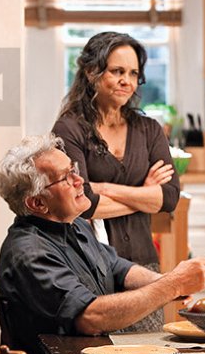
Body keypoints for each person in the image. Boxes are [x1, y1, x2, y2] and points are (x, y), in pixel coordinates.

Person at [0, 133, 205, 354]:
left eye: (73, 169)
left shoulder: (74, 224)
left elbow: (117, 268)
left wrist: (168, 282)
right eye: (65, 178)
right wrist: (173, 285)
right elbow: (91, 317)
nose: (79, 180)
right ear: (37, 203)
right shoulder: (28, 254)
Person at [52, 31, 177, 332]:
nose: (127, 81)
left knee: (150, 352)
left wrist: (105, 189)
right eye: (117, 71)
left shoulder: (149, 129)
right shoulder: (70, 129)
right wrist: (144, 195)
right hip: (90, 267)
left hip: (143, 265)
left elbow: (169, 197)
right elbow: (83, 204)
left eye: (133, 73)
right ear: (91, 72)